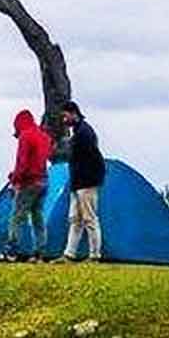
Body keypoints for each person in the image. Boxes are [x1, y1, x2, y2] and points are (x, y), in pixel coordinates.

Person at [0, 109, 54, 263]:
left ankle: (11, 251)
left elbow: (22, 162)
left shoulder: (25, 136)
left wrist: (14, 179)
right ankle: (39, 252)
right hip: (44, 181)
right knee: (38, 217)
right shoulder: (44, 137)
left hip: (28, 183)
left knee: (16, 217)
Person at [58, 100, 106, 262]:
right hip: (77, 182)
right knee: (75, 219)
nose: (64, 120)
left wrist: (89, 180)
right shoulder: (78, 132)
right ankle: (69, 254)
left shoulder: (85, 133)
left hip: (86, 182)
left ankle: (94, 255)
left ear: (73, 114)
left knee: (89, 219)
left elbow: (92, 159)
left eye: (65, 116)